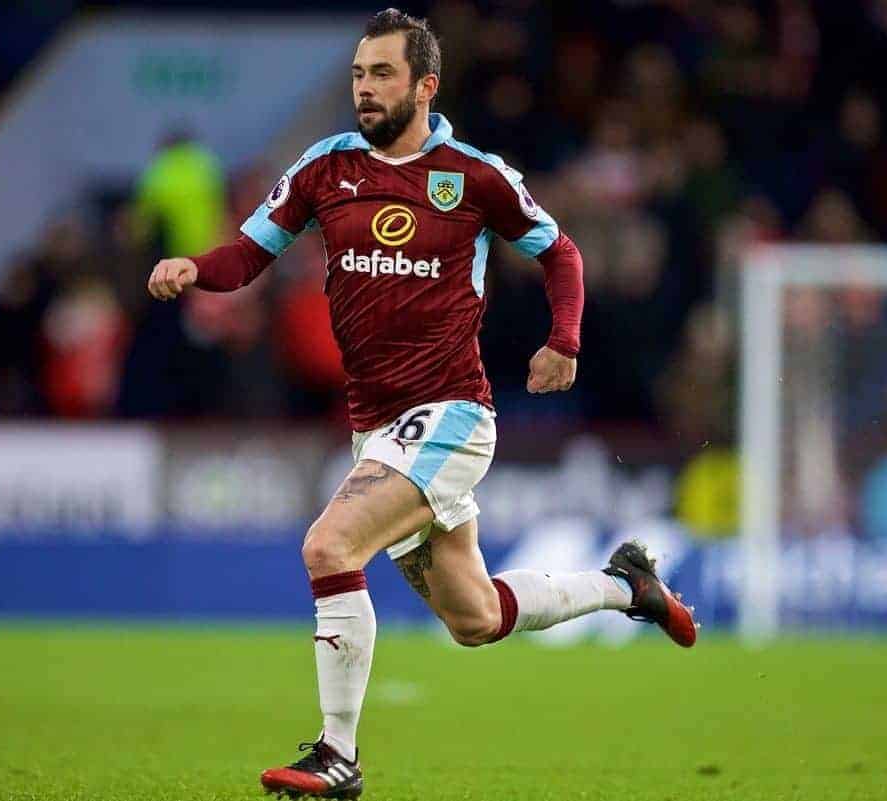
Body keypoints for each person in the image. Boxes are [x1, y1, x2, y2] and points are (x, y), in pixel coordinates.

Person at [147, 9, 697, 799]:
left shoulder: (473, 175)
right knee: (474, 618)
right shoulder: (323, 168)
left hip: (450, 415)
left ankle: (337, 755)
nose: (364, 91)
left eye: (381, 76)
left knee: (329, 547)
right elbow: (246, 255)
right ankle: (626, 585)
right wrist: (194, 268)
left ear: (425, 85)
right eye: (357, 76)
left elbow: (560, 252)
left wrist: (564, 341)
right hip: (376, 428)